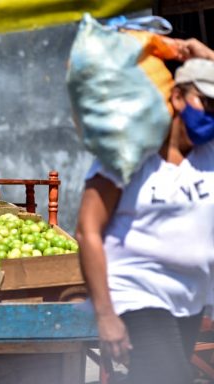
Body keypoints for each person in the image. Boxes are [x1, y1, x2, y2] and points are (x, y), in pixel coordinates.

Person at [75, 39, 214, 384]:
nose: (211, 113)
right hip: (136, 292)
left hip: (188, 298)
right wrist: (105, 315)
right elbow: (88, 230)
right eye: (205, 102)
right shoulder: (131, 154)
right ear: (178, 97)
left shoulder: (208, 153)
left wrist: (208, 57)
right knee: (171, 378)